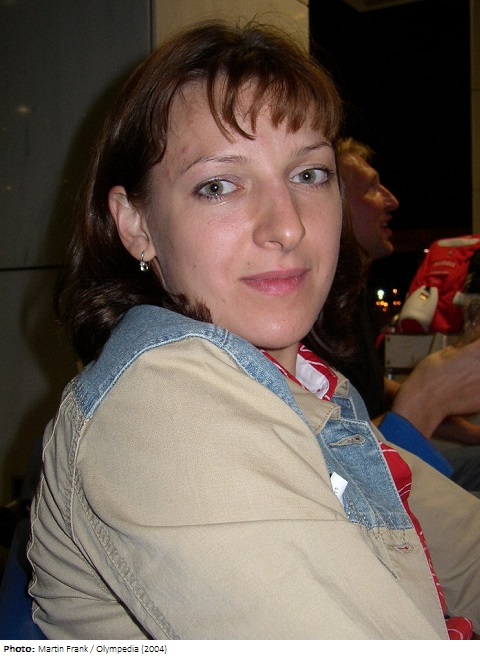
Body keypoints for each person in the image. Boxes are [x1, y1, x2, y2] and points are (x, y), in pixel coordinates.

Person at [27, 21, 480, 640]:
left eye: (309, 174)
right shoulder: (165, 406)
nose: (287, 226)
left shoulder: (307, 389)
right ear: (136, 225)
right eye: (218, 186)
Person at [335, 137, 480, 488]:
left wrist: (465, 428)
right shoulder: (309, 316)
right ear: (332, 207)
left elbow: (367, 387)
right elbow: (336, 467)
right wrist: (429, 394)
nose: (392, 201)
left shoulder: (351, 295)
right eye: (371, 188)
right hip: (370, 484)